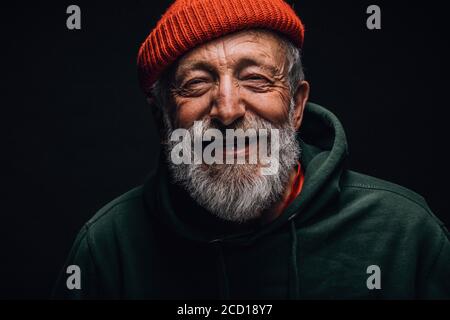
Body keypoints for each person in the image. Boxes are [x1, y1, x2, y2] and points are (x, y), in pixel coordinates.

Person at [54, 0, 450, 299]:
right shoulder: (108, 248)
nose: (227, 109)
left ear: (295, 106)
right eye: (196, 84)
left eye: (256, 79)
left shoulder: (405, 235)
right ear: (163, 121)